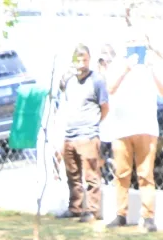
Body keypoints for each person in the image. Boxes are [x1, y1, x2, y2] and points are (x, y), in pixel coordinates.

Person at [101, 34, 163, 232]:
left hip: (146, 127)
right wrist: (126, 68)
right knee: (121, 173)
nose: (134, 46)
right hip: (121, 128)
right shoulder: (118, 64)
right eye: (130, 42)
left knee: (145, 174)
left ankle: (148, 217)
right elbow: (110, 88)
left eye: (137, 42)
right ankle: (120, 214)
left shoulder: (154, 64)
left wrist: (151, 68)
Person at [55, 44, 108, 223]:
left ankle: (92, 211)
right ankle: (75, 208)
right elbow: (61, 91)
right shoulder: (69, 80)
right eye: (78, 60)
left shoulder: (97, 80)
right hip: (70, 134)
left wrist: (94, 124)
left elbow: (105, 107)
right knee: (72, 174)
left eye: (84, 59)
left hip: (88, 135)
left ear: (89, 59)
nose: (81, 63)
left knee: (91, 175)